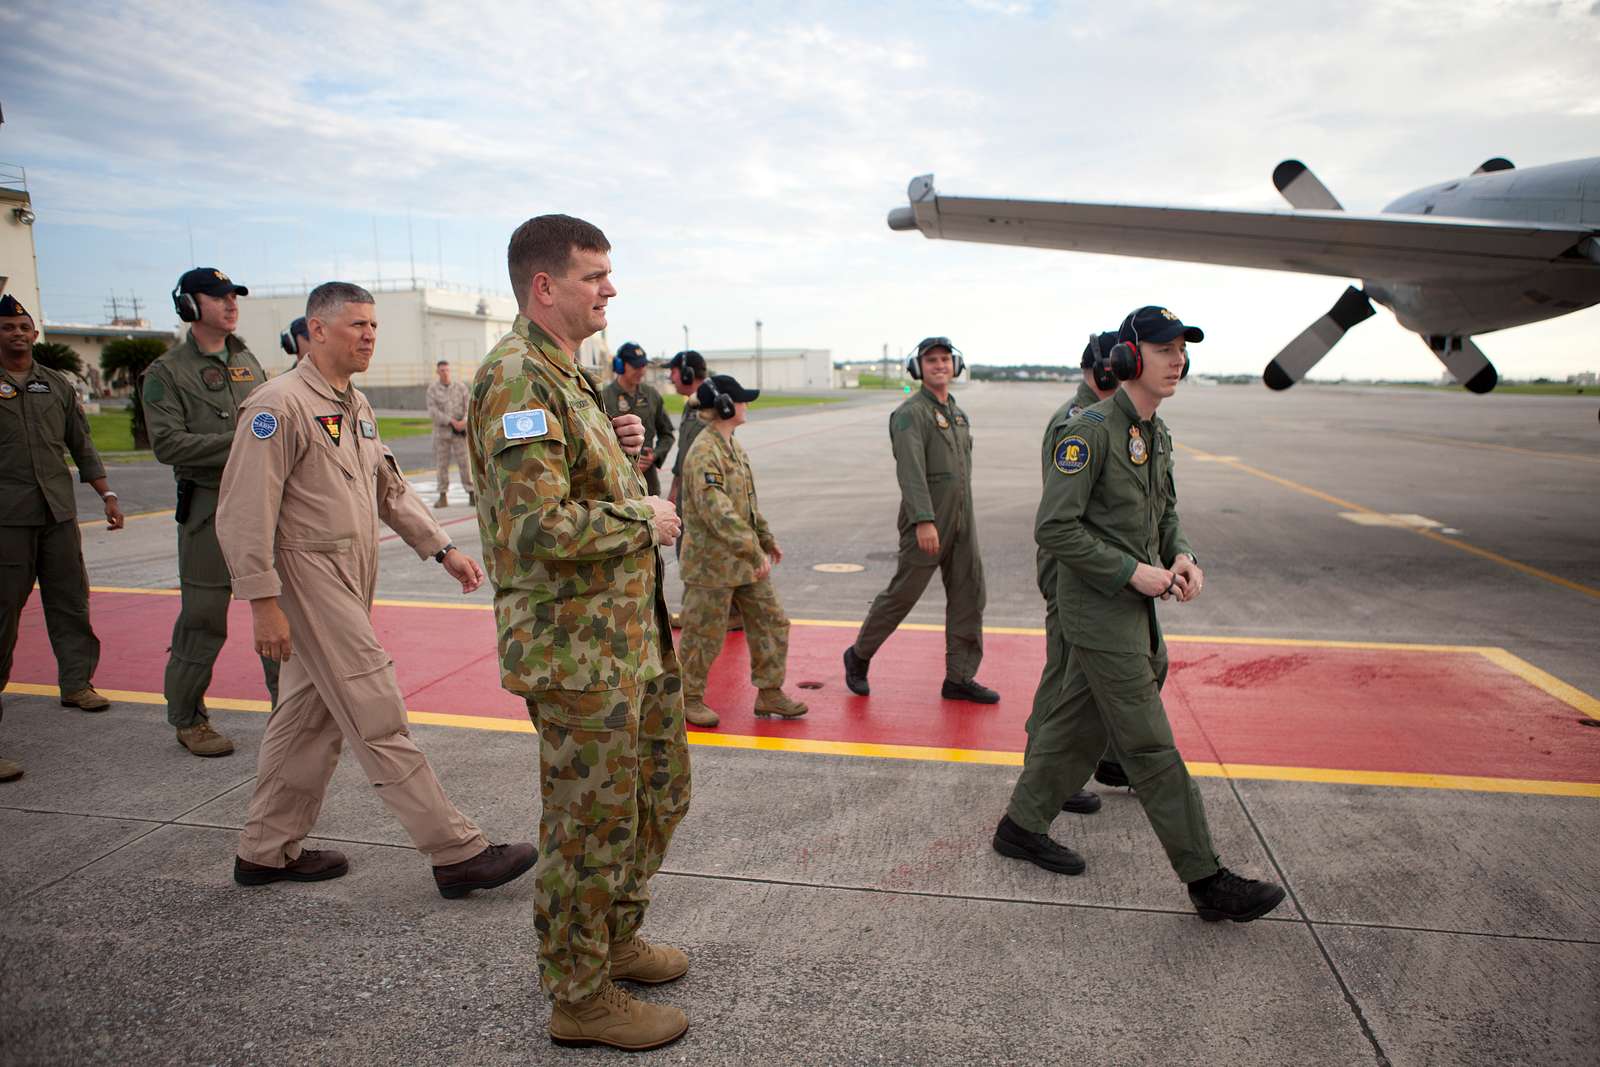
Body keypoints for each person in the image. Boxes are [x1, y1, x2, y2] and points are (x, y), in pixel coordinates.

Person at [217, 281, 536, 899]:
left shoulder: (355, 406)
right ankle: (455, 850)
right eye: (356, 325)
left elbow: (389, 489)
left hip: (351, 573)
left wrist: (441, 548)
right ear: (316, 330)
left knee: (308, 719)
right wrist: (263, 603)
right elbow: (243, 513)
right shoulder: (276, 406)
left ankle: (264, 850)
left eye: (373, 326)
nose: (368, 336)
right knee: (375, 709)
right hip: (307, 577)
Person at [468, 214, 690, 1051]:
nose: (610, 289)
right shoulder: (518, 378)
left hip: (627, 638)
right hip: (575, 651)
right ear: (544, 287)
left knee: (661, 794)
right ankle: (579, 993)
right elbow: (537, 528)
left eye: (609, 273)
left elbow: (576, 485)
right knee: (589, 827)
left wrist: (624, 452)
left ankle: (613, 939)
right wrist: (644, 512)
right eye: (594, 275)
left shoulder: (570, 373)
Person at [995, 306, 1286, 924]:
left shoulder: (1156, 434)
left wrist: (1183, 555)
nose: (1177, 359)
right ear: (1129, 358)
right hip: (1098, 608)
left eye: (1182, 348)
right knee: (1150, 747)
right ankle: (1207, 880)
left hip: (1136, 611)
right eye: (1163, 349)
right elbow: (1054, 528)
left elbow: (1165, 513)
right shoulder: (1089, 430)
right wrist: (1132, 571)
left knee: (1078, 723)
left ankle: (1021, 826)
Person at [143, 267, 280, 757]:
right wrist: (243, 443)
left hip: (262, 504)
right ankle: (188, 718)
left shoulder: (246, 360)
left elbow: (271, 419)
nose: (230, 303)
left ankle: (288, 715)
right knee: (204, 617)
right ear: (188, 305)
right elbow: (167, 442)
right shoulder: (167, 373)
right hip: (207, 507)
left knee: (277, 611)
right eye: (218, 296)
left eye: (233, 295)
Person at [0, 295, 124, 782]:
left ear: (35, 333)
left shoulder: (53, 384)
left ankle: (76, 682)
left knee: (71, 601)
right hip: (6, 520)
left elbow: (82, 444)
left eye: (23, 326)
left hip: (57, 513)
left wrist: (107, 494)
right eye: (7, 326)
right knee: (3, 614)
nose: (17, 333)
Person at [843, 336, 996, 703]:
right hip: (927, 520)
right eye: (932, 361)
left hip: (963, 520)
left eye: (945, 359)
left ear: (955, 365)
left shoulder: (957, 413)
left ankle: (959, 677)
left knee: (969, 595)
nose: (940, 365)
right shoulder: (911, 413)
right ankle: (859, 655)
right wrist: (924, 520)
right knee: (903, 594)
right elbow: (910, 472)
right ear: (918, 368)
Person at [1031, 331, 1129, 814]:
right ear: (1106, 369)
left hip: (1101, 566)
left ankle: (1110, 758)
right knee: (1066, 671)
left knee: (1106, 670)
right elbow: (1062, 519)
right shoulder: (1078, 423)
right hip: (1073, 567)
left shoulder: (1113, 418)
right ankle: (1045, 771)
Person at [677, 374, 808, 729]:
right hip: (711, 566)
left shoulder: (732, 446)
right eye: (741, 399)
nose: (746, 404)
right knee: (702, 636)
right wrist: (755, 552)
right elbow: (719, 514)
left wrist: (766, 539)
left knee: (772, 620)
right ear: (723, 406)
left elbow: (746, 504)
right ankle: (686, 698)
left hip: (744, 562)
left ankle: (769, 692)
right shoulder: (704, 453)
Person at [600, 343, 675, 497]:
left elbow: (667, 434)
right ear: (620, 366)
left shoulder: (652, 395)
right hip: (615, 482)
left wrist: (654, 455)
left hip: (648, 483)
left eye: (643, 366)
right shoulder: (603, 397)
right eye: (636, 366)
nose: (642, 371)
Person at [426, 359, 471, 508]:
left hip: (460, 433)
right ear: (437, 372)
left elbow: (469, 406)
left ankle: (471, 493)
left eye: (447, 370)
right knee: (442, 465)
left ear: (450, 371)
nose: (445, 373)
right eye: (442, 370)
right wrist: (451, 421)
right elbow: (433, 411)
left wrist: (463, 421)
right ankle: (443, 496)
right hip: (442, 433)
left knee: (465, 463)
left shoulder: (460, 387)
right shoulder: (432, 390)